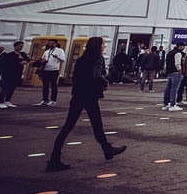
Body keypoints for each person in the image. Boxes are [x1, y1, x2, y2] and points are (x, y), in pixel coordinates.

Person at [45, 36, 126, 172]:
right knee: (96, 124)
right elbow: (95, 75)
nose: (104, 46)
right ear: (98, 46)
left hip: (78, 94)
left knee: (69, 126)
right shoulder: (97, 58)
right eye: (103, 44)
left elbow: (77, 76)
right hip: (89, 95)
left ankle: (55, 158)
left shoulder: (82, 59)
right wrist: (104, 82)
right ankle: (107, 149)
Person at [0, 41, 28, 108]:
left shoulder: (23, 54)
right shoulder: (9, 55)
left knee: (12, 88)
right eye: (20, 46)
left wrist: (25, 61)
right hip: (8, 73)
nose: (21, 47)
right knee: (5, 87)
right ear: (15, 46)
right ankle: (1, 102)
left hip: (17, 74)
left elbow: (28, 59)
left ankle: (7, 100)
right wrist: (19, 62)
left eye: (22, 46)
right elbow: (9, 63)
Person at [36, 39, 66, 106]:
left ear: (56, 44)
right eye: (50, 43)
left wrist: (57, 57)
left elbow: (63, 60)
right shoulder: (46, 51)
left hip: (54, 70)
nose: (51, 44)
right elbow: (43, 59)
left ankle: (53, 100)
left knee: (53, 85)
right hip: (46, 70)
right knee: (45, 86)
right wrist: (43, 61)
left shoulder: (60, 50)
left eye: (53, 43)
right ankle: (44, 100)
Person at [162, 44, 184, 111]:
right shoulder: (178, 53)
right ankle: (173, 104)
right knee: (174, 89)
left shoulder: (170, 52)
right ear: (179, 46)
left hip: (169, 72)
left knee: (168, 89)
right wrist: (180, 71)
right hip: (176, 72)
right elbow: (177, 63)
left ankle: (166, 104)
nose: (183, 47)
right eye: (182, 46)